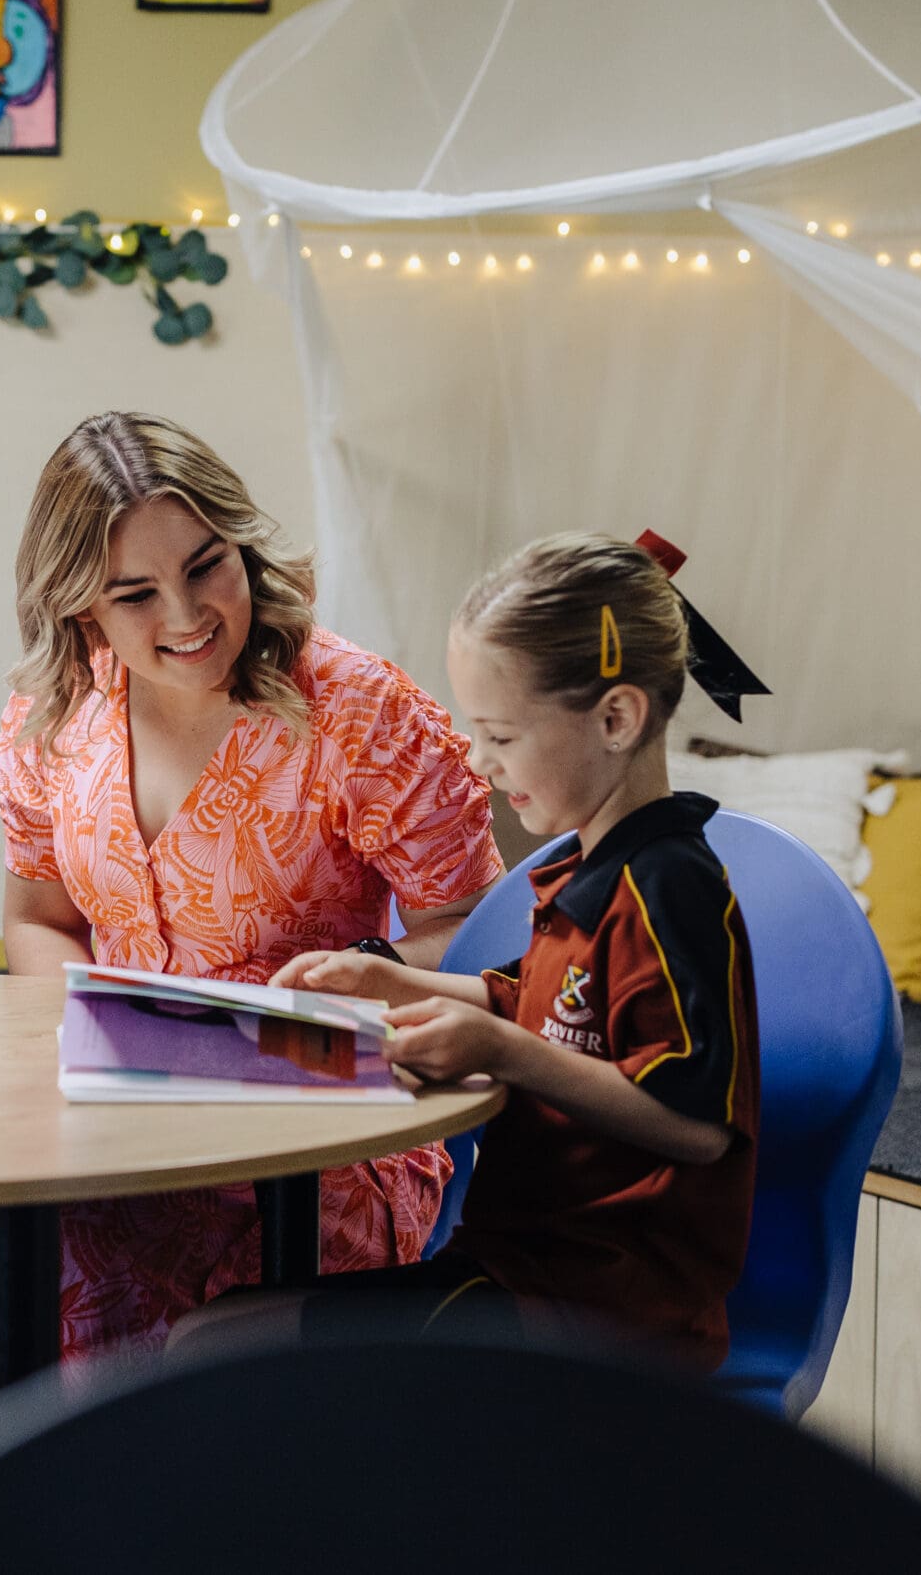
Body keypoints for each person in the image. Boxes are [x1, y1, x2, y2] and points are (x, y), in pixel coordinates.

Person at [0, 413, 503, 1543]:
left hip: (320, 1123)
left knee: (67, 1257)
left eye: (206, 569)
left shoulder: (358, 710)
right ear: (76, 601)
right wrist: (92, 1022)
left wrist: (364, 982)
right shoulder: (51, 717)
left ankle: (87, 1535)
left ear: (243, 548)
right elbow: (37, 921)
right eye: (134, 594)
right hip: (112, 1092)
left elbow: (469, 940)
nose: (186, 619)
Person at [187, 531, 761, 1369]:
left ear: (616, 717)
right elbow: (541, 1007)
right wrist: (387, 978)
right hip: (522, 1270)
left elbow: (696, 1122)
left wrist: (504, 1052)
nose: (484, 765)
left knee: (219, 1350)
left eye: (502, 735)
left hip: (608, 1313)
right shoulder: (583, 870)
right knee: (210, 1336)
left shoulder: (668, 889)